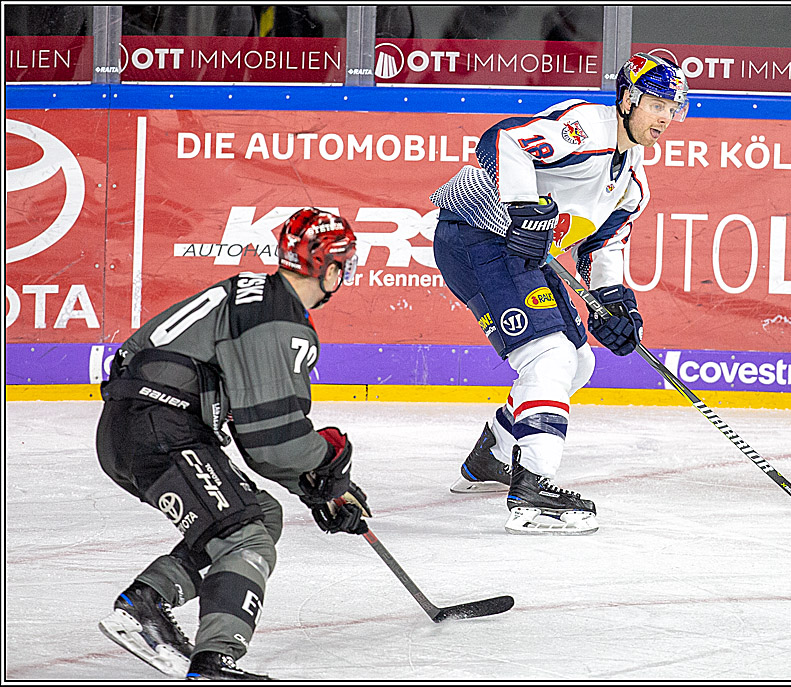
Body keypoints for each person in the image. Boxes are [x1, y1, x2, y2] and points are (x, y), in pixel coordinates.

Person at [95, 208, 371, 680]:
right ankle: (215, 660)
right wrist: (330, 461)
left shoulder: (255, 296)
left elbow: (260, 432)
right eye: (344, 265)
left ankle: (146, 603)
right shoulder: (275, 320)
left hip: (144, 426)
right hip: (161, 430)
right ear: (330, 269)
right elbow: (272, 443)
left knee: (257, 514)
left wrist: (319, 488)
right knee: (245, 535)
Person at [430, 52, 689, 535]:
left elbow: (602, 247)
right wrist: (526, 206)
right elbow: (504, 140)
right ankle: (533, 489)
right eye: (656, 103)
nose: (665, 117)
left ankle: (494, 456)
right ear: (628, 98)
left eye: (672, 108)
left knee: (579, 359)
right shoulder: (585, 129)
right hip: (476, 233)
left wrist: (618, 307)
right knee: (548, 356)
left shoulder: (631, 183)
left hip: (521, 253)